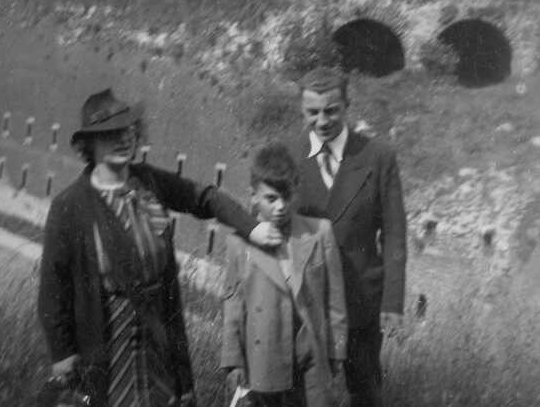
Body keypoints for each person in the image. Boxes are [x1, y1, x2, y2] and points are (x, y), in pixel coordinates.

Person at [38, 88, 283, 407]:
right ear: (90, 144)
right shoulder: (69, 206)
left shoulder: (149, 182)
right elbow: (52, 288)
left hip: (159, 338)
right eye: (111, 134)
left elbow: (205, 197)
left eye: (128, 131)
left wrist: (253, 228)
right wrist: (62, 354)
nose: (124, 139)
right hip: (107, 342)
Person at [293, 67, 407, 407]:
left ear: (347, 106)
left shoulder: (378, 156)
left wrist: (392, 303)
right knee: (304, 392)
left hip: (361, 301)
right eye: (313, 112)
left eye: (331, 111)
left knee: (365, 391)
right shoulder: (288, 155)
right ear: (302, 110)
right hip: (307, 300)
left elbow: (394, 234)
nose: (322, 121)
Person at [220, 142, 348, 407]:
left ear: (295, 192)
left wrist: (337, 352)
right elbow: (233, 306)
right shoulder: (239, 243)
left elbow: (335, 301)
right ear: (253, 196)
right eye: (271, 199)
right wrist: (233, 361)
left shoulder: (319, 232)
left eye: (286, 197)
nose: (280, 206)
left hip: (311, 354)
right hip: (265, 356)